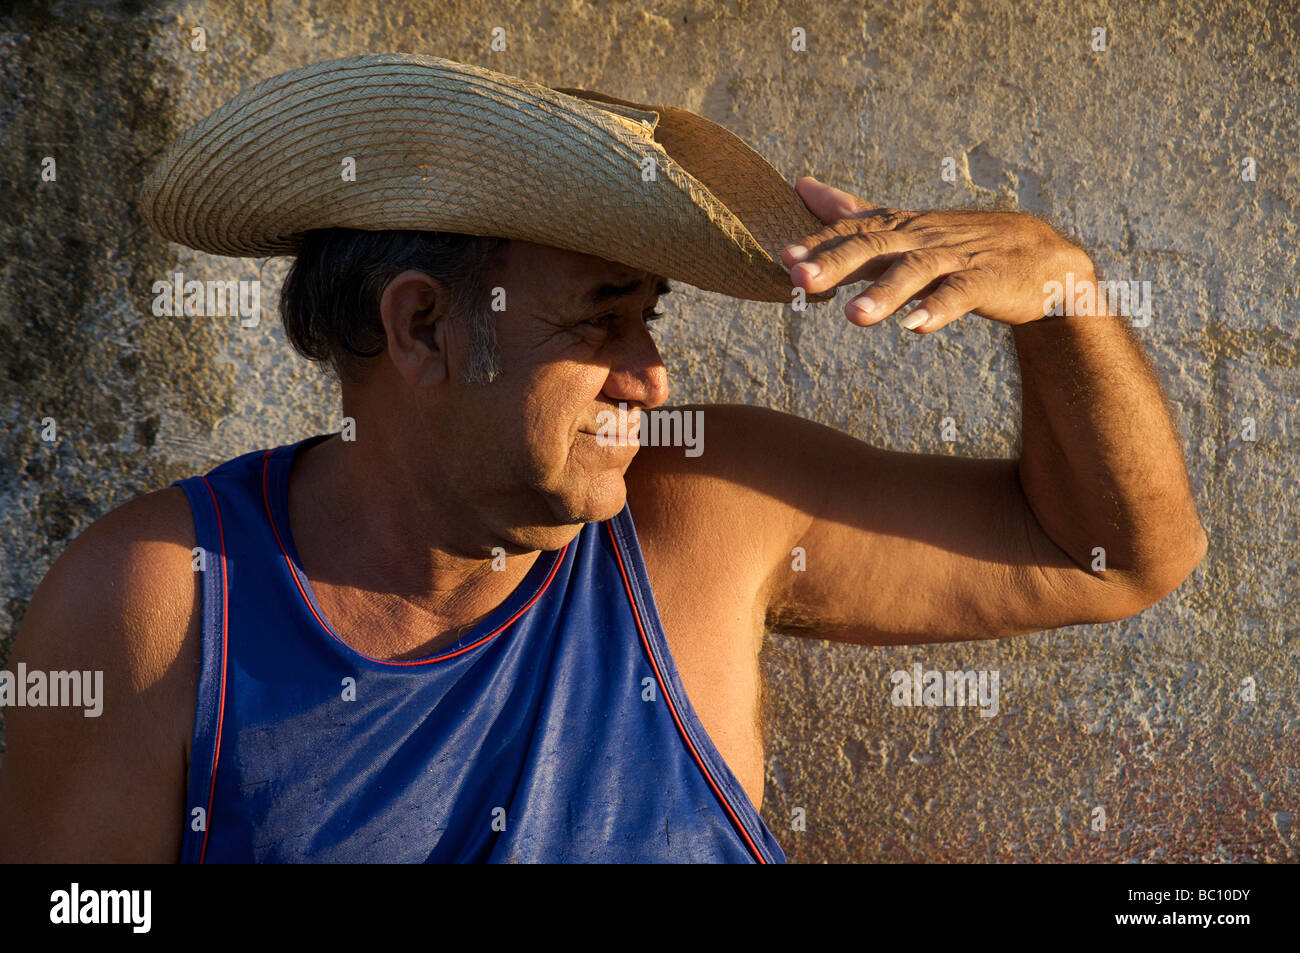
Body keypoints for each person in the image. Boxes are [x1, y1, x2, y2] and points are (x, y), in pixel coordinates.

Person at [0, 55, 1206, 863]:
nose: (652, 376)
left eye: (652, 318)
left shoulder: (703, 517)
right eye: (599, 321)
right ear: (422, 327)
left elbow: (1112, 560)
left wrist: (1065, 304)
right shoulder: (158, 602)